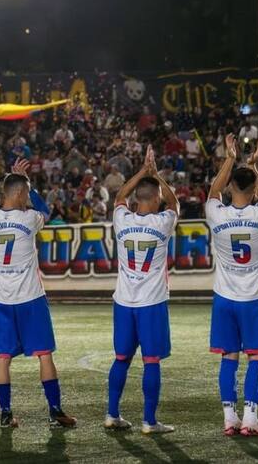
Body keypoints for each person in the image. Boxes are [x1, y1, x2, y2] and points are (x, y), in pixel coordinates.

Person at [0, 158, 76, 429]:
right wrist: (29, 185)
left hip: (3, 299)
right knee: (44, 354)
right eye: (25, 193)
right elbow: (46, 210)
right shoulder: (29, 217)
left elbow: (5, 199)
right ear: (20, 194)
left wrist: (15, 180)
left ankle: (5, 413)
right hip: (31, 298)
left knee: (3, 358)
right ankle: (55, 411)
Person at [206, 136, 258, 436]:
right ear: (253, 191)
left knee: (229, 356)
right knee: (257, 355)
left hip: (224, 298)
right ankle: (250, 417)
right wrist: (252, 163)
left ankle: (229, 418)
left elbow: (212, 191)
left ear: (230, 188)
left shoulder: (216, 213)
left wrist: (230, 158)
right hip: (254, 298)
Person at [105, 145, 178, 434]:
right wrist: (157, 175)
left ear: (137, 199)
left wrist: (142, 172)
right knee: (151, 360)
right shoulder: (163, 222)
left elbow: (120, 196)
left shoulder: (121, 219)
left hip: (123, 301)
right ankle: (149, 421)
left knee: (121, 358)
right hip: (151, 302)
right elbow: (175, 205)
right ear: (157, 198)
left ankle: (112, 414)